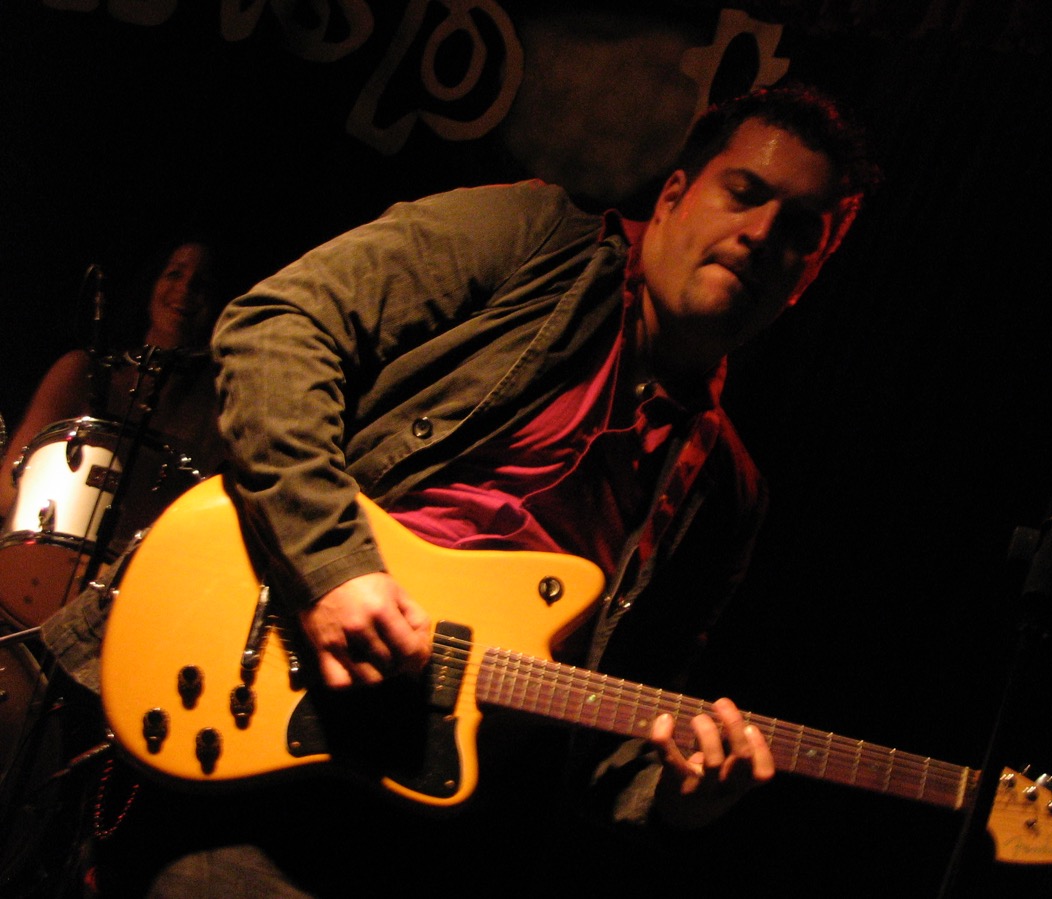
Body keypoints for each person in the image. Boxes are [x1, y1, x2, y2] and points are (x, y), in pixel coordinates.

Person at [46, 84, 880, 896]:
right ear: (673, 196)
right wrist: (334, 568)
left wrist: (671, 797)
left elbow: (605, 738)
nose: (761, 233)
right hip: (268, 718)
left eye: (800, 230)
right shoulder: (533, 237)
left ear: (809, 276)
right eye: (745, 193)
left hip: (446, 830)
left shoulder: (726, 494)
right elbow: (278, 326)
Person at [0, 241, 228, 627]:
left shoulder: (220, 413)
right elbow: (6, 489)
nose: (186, 290)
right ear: (151, 284)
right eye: (174, 273)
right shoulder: (83, 372)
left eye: (202, 284)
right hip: (24, 586)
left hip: (135, 607)